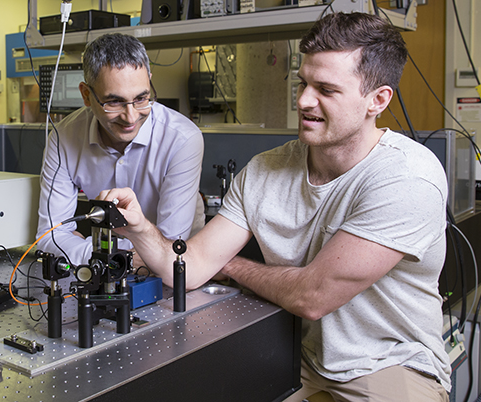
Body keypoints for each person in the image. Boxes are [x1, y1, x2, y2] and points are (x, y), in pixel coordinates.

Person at [98, 12, 451, 402]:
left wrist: (230, 265)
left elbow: (313, 297)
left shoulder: (406, 177)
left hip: (390, 364)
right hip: (298, 354)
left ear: (377, 100)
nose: (303, 101)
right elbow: (193, 266)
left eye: (326, 90)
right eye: (302, 83)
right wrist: (139, 227)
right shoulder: (267, 170)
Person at [36, 32, 204, 266]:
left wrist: (83, 249)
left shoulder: (182, 139)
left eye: (141, 98)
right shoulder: (63, 138)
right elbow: (50, 236)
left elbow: (171, 248)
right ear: (86, 95)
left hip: (177, 276)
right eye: (114, 102)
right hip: (105, 273)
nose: (130, 116)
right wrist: (122, 258)